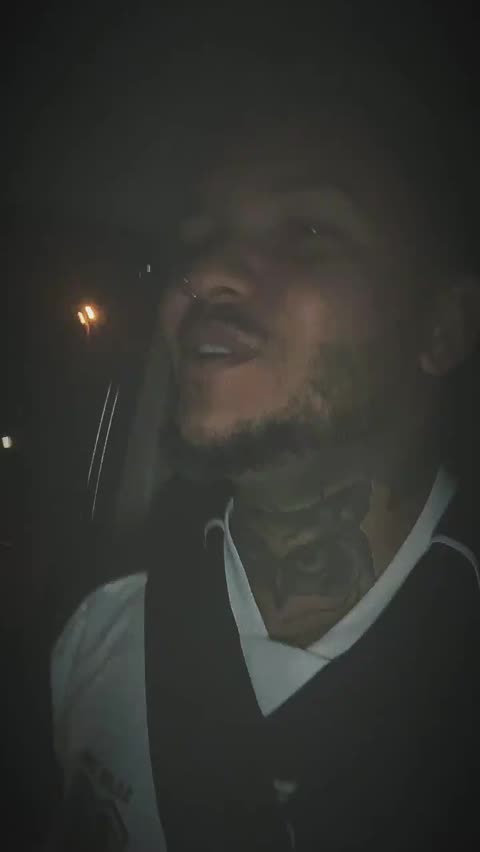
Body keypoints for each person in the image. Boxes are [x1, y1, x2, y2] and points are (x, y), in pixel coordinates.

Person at [46, 58, 480, 851]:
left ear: (442, 328)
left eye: (308, 232)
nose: (203, 274)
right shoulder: (91, 622)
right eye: (198, 240)